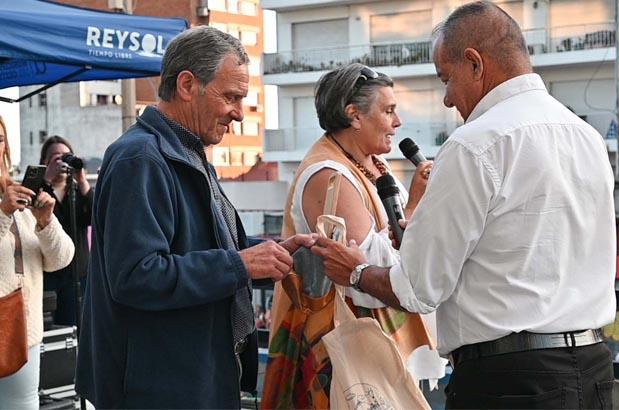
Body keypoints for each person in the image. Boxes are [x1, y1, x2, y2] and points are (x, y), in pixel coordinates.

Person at [311, 3, 617, 409]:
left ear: (474, 64)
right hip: (594, 367)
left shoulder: (476, 144)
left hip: (510, 380)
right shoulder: (586, 136)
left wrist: (356, 271)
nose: (447, 99)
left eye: (446, 78)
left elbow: (419, 288)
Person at [75, 26, 316, 409]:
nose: (238, 113)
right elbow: (137, 276)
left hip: (188, 380)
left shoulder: (185, 150)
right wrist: (240, 264)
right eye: (231, 97)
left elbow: (199, 248)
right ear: (187, 84)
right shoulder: (141, 159)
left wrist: (268, 253)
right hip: (156, 390)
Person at [261, 63, 444, 409]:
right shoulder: (327, 173)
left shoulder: (372, 162)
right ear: (354, 116)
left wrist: (418, 204)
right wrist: (417, 210)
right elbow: (374, 269)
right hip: (338, 352)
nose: (398, 122)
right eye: (388, 111)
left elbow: (401, 246)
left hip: (374, 345)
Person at [0, 116, 75, 409]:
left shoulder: (17, 194)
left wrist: (46, 222)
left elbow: (61, 259)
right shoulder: (9, 203)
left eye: (0, 138)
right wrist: (3, 213)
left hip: (23, 327)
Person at [39, 136, 93, 326]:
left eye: (65, 156)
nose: (61, 161)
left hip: (78, 272)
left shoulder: (78, 193)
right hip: (48, 273)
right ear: (45, 161)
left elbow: (95, 216)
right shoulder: (39, 190)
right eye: (55, 157)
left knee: (78, 327)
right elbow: (27, 215)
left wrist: (82, 180)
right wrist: (46, 179)